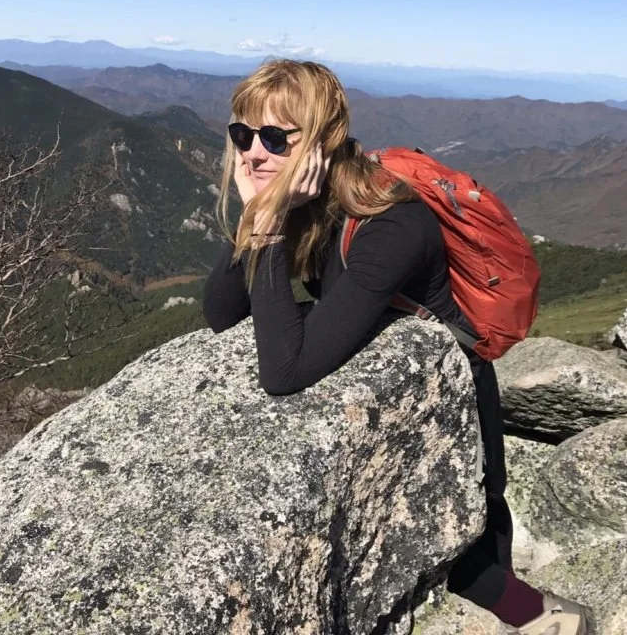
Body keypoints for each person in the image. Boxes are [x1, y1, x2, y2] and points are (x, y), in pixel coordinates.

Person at [203, 59, 590, 635]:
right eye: (243, 135)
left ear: (323, 144)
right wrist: (264, 214)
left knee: (468, 565)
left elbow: (285, 370)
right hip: (400, 401)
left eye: (276, 138)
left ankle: (552, 620)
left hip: (454, 402)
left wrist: (267, 225)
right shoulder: (304, 202)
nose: (254, 153)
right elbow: (222, 311)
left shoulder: (392, 223)